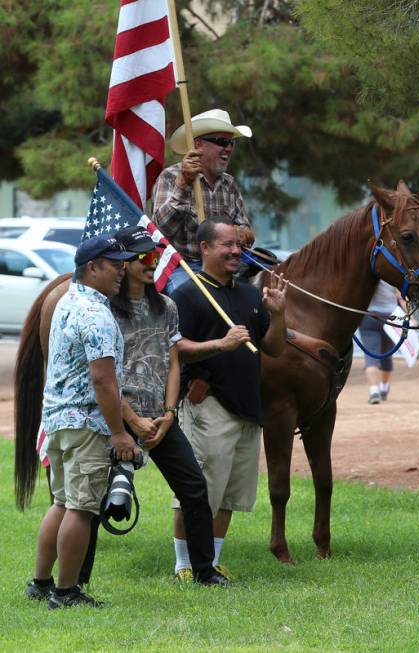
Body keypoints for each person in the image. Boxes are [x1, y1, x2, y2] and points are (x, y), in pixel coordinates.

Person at [26, 235, 140, 609]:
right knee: (81, 508)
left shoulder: (67, 301)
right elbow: (103, 380)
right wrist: (120, 433)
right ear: (92, 267)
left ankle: (40, 584)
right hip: (86, 424)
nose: (122, 271)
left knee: (60, 502)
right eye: (115, 264)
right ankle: (65, 592)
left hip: (57, 420)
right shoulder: (96, 314)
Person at [109, 226, 228, 585]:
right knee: (96, 500)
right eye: (144, 257)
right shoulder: (107, 309)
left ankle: (205, 571)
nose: (152, 263)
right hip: (117, 417)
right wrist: (132, 420)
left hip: (162, 417)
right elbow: (104, 373)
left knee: (194, 487)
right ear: (125, 263)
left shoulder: (167, 306)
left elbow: (173, 360)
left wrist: (169, 412)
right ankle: (72, 583)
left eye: (156, 257)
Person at [171, 217, 287, 576]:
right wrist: (220, 344)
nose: (237, 251)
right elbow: (175, 348)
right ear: (205, 248)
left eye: (239, 245)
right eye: (228, 245)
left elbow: (273, 348)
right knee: (199, 491)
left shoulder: (250, 295)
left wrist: (278, 315)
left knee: (230, 495)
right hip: (208, 406)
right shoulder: (188, 294)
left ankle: (213, 562)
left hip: (247, 408)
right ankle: (185, 565)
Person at [152, 109, 253, 294]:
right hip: (183, 266)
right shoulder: (170, 177)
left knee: (255, 298)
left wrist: (243, 233)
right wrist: (183, 184)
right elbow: (161, 231)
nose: (229, 148)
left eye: (232, 143)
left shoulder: (229, 184)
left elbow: (245, 231)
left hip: (225, 267)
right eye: (222, 142)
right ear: (198, 145)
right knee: (185, 297)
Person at [356, 280, 403, 404]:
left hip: (369, 317)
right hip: (390, 318)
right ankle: (384, 387)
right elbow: (401, 298)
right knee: (387, 355)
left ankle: (374, 391)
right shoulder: (390, 277)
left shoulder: (368, 279)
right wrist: (411, 317)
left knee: (370, 355)